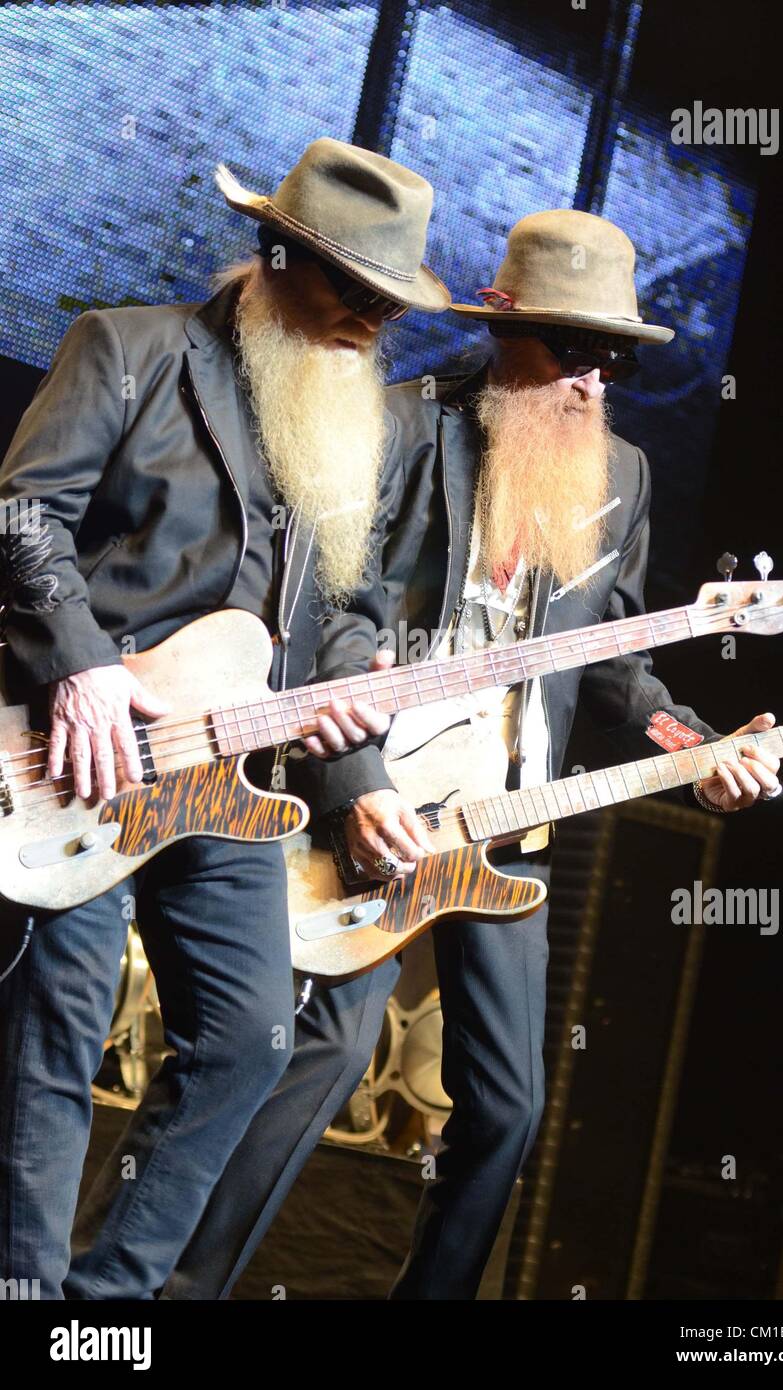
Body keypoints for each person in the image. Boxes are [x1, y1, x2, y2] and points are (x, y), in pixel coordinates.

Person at [162, 209, 780, 1301]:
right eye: (571, 348)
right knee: (326, 1059)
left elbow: (616, 662)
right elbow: (331, 612)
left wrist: (695, 742)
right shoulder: (403, 429)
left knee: (510, 1107)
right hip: (382, 802)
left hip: (508, 822)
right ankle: (180, 1295)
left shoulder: (621, 478)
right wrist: (356, 787)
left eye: (613, 357)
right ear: (503, 329)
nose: (594, 378)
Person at [0, 136, 450, 1300]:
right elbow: (19, 517)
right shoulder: (133, 350)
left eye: (386, 304)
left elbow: (342, 616)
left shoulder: (367, 433)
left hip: (234, 778)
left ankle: (111, 1302)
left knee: (251, 1036)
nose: (367, 322)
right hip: (87, 752)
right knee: (58, 1029)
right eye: (351, 288)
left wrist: (362, 772)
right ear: (276, 254)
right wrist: (84, 669)